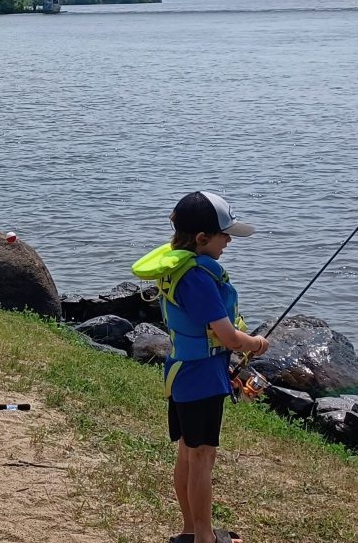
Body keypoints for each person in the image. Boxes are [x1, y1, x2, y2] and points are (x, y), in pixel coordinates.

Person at [131, 191, 269, 543]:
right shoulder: (199, 278)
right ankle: (205, 537)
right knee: (202, 457)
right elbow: (228, 337)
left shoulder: (178, 268)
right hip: (202, 379)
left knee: (188, 454)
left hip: (181, 372)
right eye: (225, 236)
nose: (229, 242)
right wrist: (256, 343)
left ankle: (191, 530)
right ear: (202, 238)